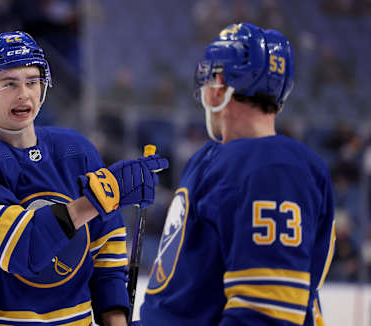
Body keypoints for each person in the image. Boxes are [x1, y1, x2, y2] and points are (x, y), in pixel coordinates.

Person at [0, 31, 168, 326]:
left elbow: (105, 249)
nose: (24, 94)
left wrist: (115, 320)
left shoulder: (75, 150)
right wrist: (99, 199)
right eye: (9, 83)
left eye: (32, 81)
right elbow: (22, 249)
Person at [139, 23, 335, 326]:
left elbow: (265, 316)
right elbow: (187, 299)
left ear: (218, 84)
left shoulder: (275, 169)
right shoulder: (212, 157)